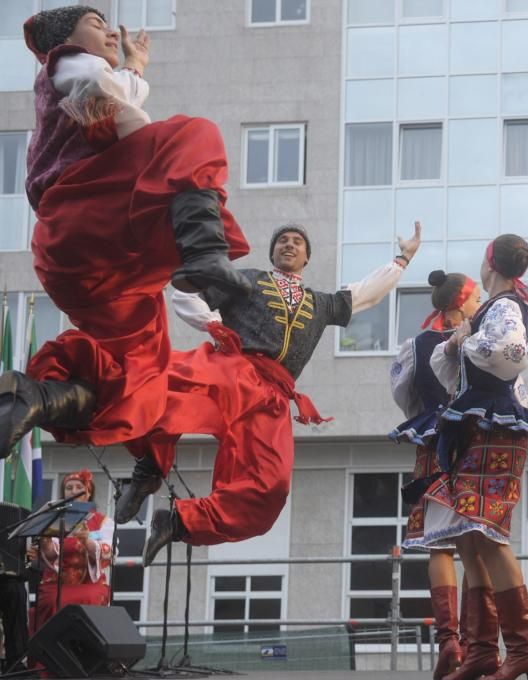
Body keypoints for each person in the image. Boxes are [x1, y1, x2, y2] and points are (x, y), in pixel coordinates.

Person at [0, 7, 250, 463]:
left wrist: (131, 72)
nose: (110, 34)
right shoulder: (67, 61)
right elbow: (105, 91)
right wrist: (133, 71)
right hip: (86, 214)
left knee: (141, 371)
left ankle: (36, 398)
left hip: (89, 267)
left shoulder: (80, 80)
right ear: (66, 39)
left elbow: (115, 110)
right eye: (97, 26)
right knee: (194, 135)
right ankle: (205, 254)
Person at [115, 223, 420, 565]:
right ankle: (148, 471)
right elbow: (186, 293)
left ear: (308, 257)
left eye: (298, 242)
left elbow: (368, 293)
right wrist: (213, 324)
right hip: (233, 370)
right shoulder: (247, 280)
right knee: (167, 390)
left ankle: (178, 522)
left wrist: (403, 258)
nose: (289, 245)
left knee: (270, 488)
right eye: (282, 241)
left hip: (272, 398)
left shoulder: (322, 304)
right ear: (273, 251)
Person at [416, 234, 528, 680]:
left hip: (498, 428)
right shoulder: (492, 308)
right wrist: (463, 337)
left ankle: (522, 648)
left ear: (489, 263)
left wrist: (464, 340)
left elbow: (510, 355)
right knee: (470, 538)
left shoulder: (506, 306)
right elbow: (451, 364)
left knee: (487, 533)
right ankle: (480, 650)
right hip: (477, 428)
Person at [390, 269, 482, 680]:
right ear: (461, 306)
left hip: (432, 440)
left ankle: (450, 641)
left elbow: (402, 394)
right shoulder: (484, 339)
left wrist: (426, 415)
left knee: (439, 545)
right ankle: (478, 641)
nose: (481, 305)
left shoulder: (416, 344)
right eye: (476, 299)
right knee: (478, 543)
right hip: (478, 441)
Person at [33, 470, 114, 631]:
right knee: (51, 600)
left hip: (90, 583)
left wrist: (86, 541)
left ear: (88, 493)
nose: (73, 491)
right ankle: (49, 652)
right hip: (58, 583)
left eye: (79, 487)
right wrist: (45, 541)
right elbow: (50, 554)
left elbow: (107, 551)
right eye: (69, 488)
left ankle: (89, 652)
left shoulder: (103, 521)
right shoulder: (55, 518)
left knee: (92, 597)